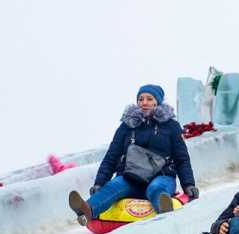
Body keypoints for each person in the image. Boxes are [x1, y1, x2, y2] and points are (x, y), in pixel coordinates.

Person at [68, 84, 198, 226]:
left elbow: (182, 159)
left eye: (149, 99)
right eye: (141, 99)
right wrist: (100, 183)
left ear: (157, 102)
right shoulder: (127, 126)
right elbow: (112, 156)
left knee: (157, 188)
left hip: (162, 175)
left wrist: (188, 184)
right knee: (114, 186)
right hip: (131, 177)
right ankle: (86, 210)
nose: (144, 102)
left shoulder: (170, 126)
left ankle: (163, 207)